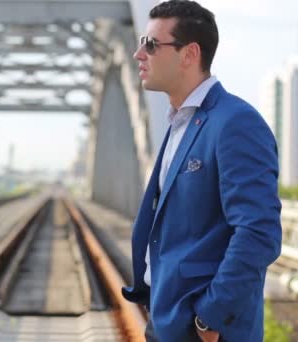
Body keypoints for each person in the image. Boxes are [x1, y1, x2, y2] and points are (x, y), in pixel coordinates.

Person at [120, 1, 282, 341]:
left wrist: (211, 318)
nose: (138, 54)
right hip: (168, 317)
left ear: (189, 54)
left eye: (150, 44)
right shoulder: (180, 123)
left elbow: (259, 232)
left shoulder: (235, 122)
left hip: (205, 330)